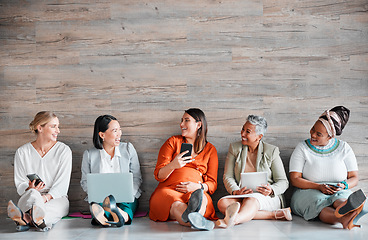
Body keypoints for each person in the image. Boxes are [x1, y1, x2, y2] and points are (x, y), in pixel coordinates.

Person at [289, 106, 367, 230]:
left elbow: (354, 178)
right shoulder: (302, 148)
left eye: (318, 134)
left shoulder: (344, 148)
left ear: (330, 137)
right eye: (313, 129)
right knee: (319, 203)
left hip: (337, 189)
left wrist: (343, 185)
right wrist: (318, 186)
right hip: (307, 191)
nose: (312, 134)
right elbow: (294, 179)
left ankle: (348, 208)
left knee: (340, 198)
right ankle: (344, 218)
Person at [216, 115, 291, 228]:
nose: (242, 134)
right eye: (243, 129)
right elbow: (228, 176)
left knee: (251, 200)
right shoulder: (234, 148)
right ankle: (272, 215)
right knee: (222, 203)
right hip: (242, 195)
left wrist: (271, 190)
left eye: (248, 132)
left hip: (267, 197)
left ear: (259, 136)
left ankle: (234, 220)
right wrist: (236, 191)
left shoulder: (271, 151)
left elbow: (283, 181)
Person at [149, 108, 218, 231]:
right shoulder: (173, 142)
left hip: (195, 190)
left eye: (186, 120)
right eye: (182, 121)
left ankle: (195, 215)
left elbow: (212, 183)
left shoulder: (210, 150)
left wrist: (198, 187)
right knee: (175, 204)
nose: (181, 124)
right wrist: (173, 165)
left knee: (201, 200)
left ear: (199, 125)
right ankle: (197, 220)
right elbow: (158, 175)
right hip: (169, 189)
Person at [7, 111, 72, 232]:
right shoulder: (22, 152)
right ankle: (36, 219)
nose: (58, 130)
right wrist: (30, 188)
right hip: (30, 196)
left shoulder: (64, 150)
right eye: (53, 126)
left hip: (56, 198)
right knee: (33, 196)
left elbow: (62, 184)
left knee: (47, 209)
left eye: (58, 126)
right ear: (40, 128)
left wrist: (45, 198)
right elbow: (20, 183)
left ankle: (25, 218)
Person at [80, 115, 142, 227]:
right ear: (102, 135)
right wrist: (95, 194)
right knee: (97, 206)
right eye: (115, 131)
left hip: (127, 198)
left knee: (127, 206)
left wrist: (129, 194)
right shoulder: (89, 155)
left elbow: (136, 177)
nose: (119, 134)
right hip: (101, 199)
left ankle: (106, 217)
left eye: (120, 130)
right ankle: (118, 216)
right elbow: (85, 182)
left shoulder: (128, 149)